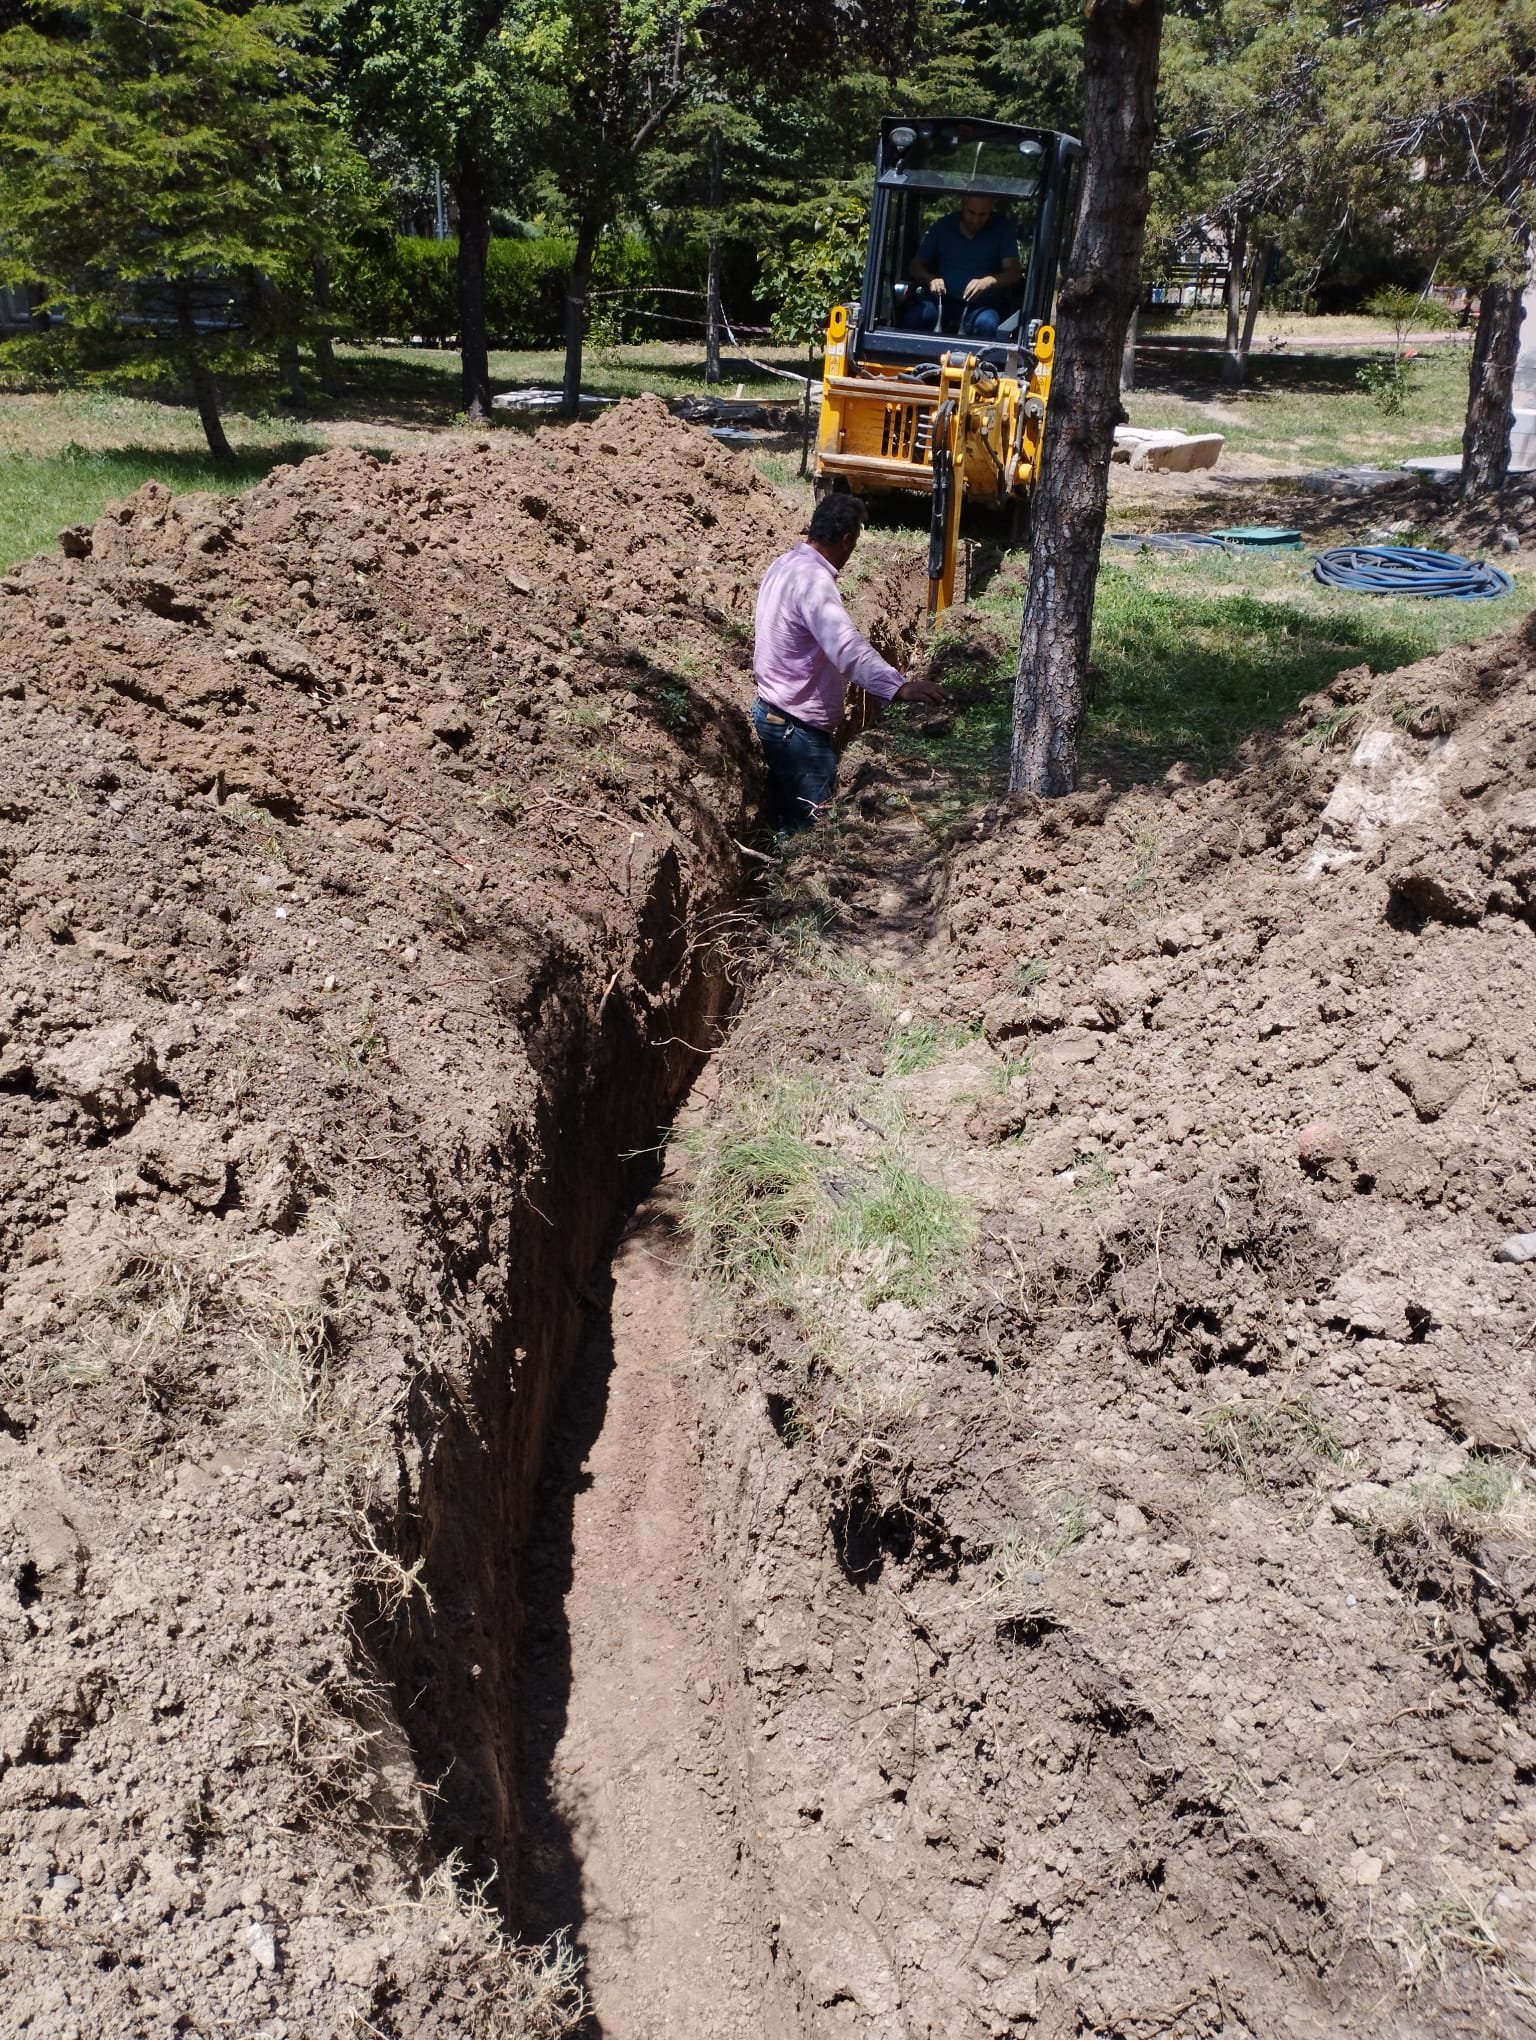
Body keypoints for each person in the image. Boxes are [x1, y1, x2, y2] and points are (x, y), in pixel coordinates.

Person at [752, 494, 949, 832]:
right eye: (854, 543)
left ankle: (782, 868)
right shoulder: (813, 583)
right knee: (814, 830)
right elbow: (846, 648)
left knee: (792, 816)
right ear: (846, 540)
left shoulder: (784, 564)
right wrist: (899, 687)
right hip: (796, 731)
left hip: (773, 715)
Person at [909, 194, 1022, 339]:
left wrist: (987, 281)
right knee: (917, 317)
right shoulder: (943, 226)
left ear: (991, 209)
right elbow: (915, 266)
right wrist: (930, 279)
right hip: (941, 304)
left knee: (987, 324)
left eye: (983, 214)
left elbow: (1013, 272)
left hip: (980, 308)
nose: (976, 220)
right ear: (962, 205)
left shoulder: (1002, 230)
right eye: (971, 212)